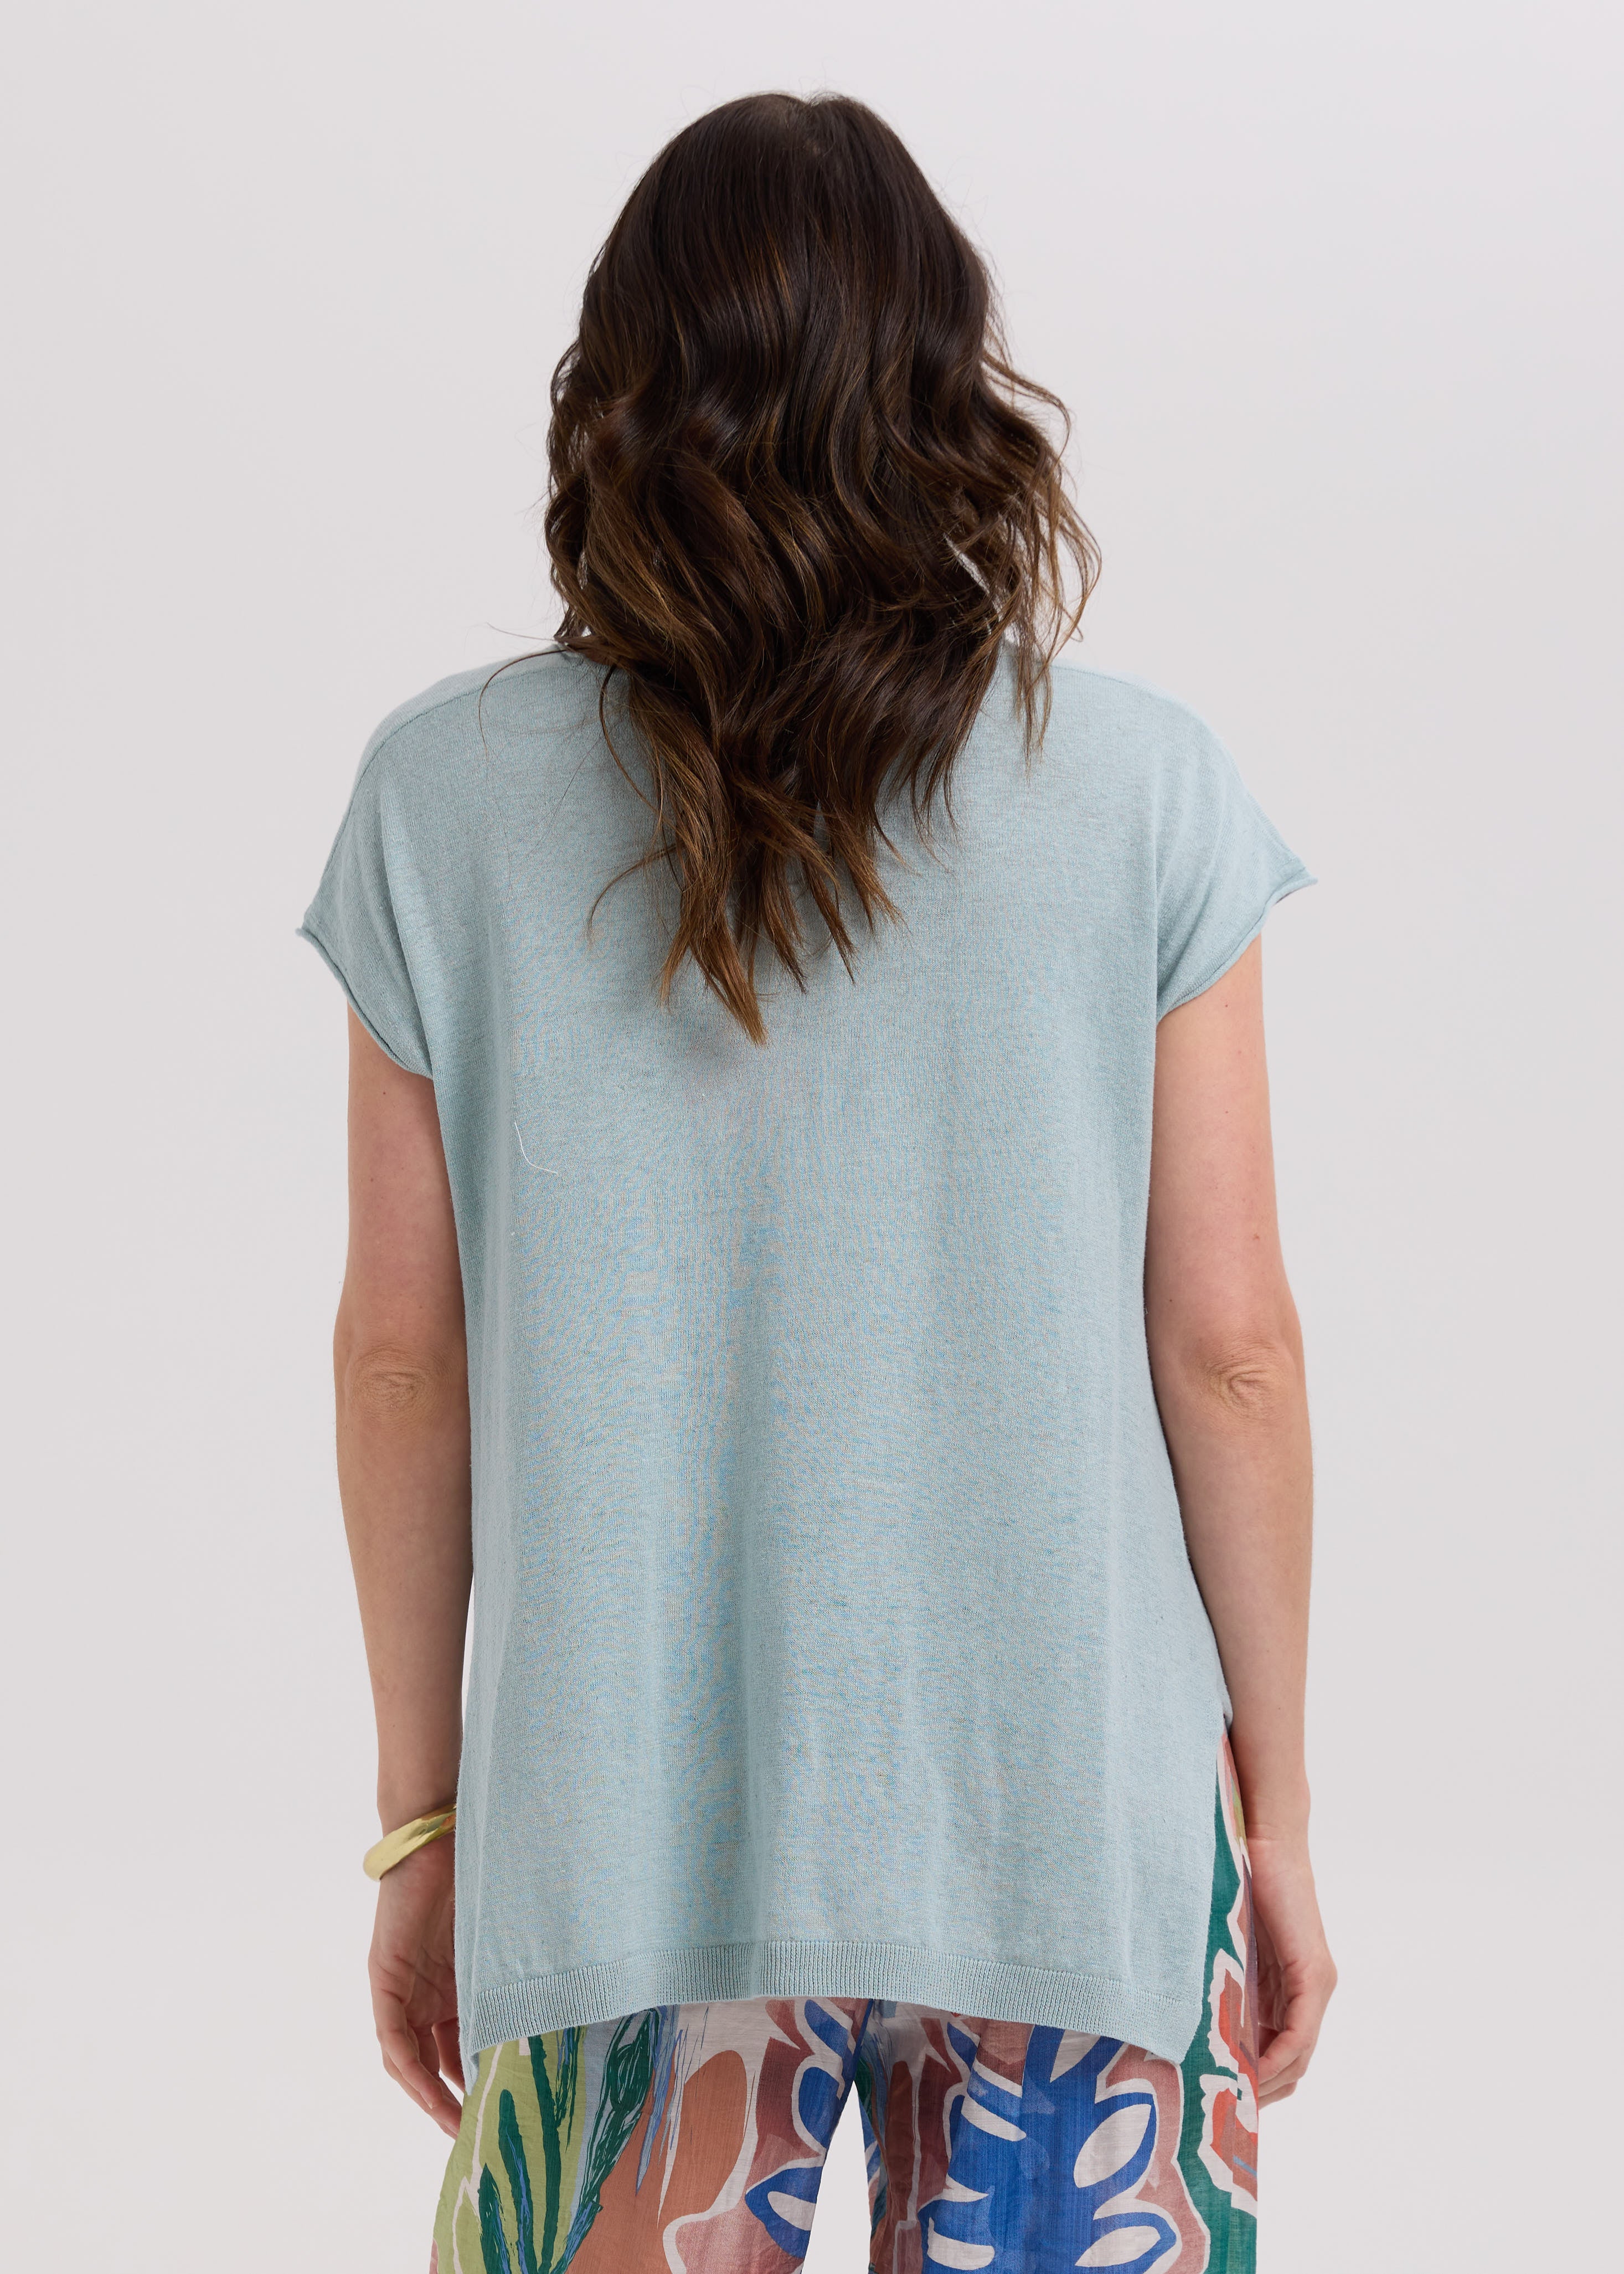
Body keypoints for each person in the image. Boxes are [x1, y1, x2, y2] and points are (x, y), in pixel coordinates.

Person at [301, 90, 1334, 2274]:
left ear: (617, 398)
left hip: (615, 1840)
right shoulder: (1143, 790)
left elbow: (404, 1352)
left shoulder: (437, 800)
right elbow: (1228, 1345)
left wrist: (424, 1821)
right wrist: (1277, 1808)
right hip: (1072, 1819)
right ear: (951, 395)